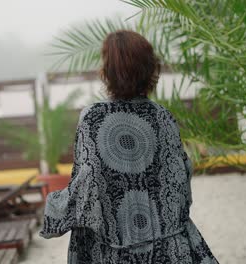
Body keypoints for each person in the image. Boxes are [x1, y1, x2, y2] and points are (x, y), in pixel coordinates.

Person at [39, 30, 219, 264]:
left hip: (114, 253)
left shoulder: (93, 118)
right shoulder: (163, 117)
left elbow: (86, 188)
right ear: (150, 69)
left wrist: (53, 207)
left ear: (108, 72)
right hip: (167, 249)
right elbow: (180, 180)